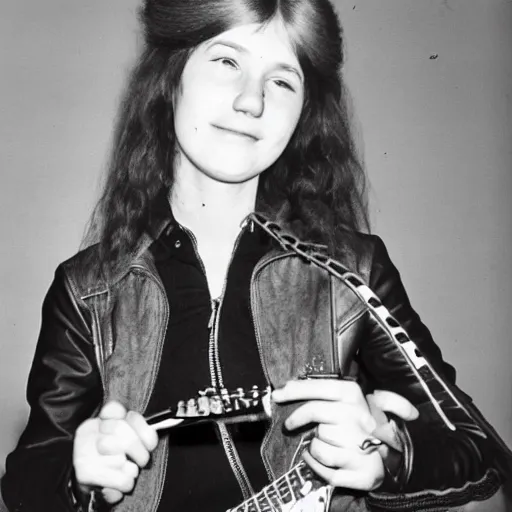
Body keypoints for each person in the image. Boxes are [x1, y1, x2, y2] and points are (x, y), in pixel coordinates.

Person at [1, 0, 511, 511]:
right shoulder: (85, 288)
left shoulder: (354, 272)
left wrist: (391, 458)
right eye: (227, 62)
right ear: (171, 76)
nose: (252, 100)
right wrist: (77, 480)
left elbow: (480, 452)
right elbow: (27, 480)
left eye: (283, 81)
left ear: (304, 111)